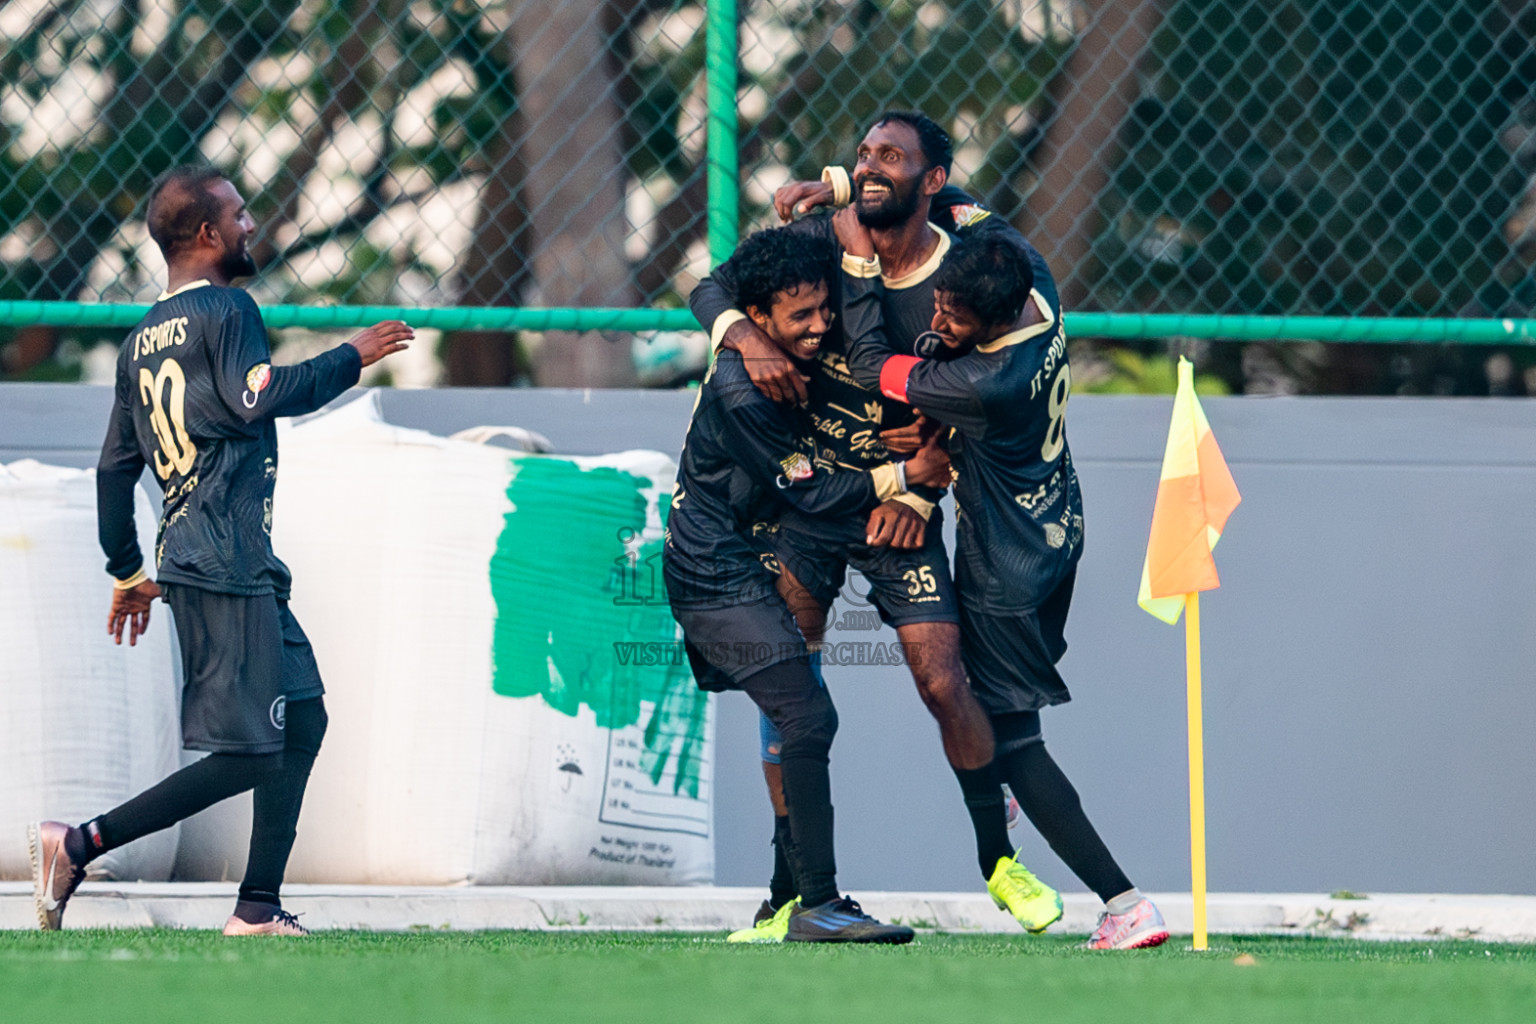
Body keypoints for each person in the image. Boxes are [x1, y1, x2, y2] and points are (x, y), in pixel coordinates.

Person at [689, 112, 1061, 938]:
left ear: (933, 181)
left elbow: (985, 399)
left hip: (903, 509)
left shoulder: (969, 272)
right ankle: (793, 889)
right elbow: (711, 288)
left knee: (942, 680)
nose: (870, 168)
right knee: (795, 694)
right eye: (862, 156)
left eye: (891, 157)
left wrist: (923, 492)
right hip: (813, 502)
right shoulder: (820, 235)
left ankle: (999, 861)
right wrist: (749, 337)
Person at [27, 165, 411, 936]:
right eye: (238, 214)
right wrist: (351, 355)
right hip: (223, 558)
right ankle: (76, 845)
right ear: (206, 234)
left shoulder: (138, 343)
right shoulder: (229, 309)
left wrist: (128, 569)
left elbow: (114, 468)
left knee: (302, 722)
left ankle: (257, 910)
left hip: (216, 559)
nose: (249, 225)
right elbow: (255, 396)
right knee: (248, 753)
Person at [843, 228, 1172, 950]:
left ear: (995, 320)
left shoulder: (985, 383)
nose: (938, 321)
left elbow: (871, 365)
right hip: (1058, 538)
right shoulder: (1040, 293)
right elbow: (970, 210)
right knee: (993, 711)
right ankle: (1000, 771)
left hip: (1006, 572)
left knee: (1016, 739)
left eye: (956, 319)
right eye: (939, 303)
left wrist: (862, 264)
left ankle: (1125, 904)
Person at [664, 226, 951, 943]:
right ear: (759, 321)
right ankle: (816, 905)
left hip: (751, 560)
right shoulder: (742, 386)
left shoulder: (786, 353)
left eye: (827, 310)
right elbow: (814, 492)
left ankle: (784, 903)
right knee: (807, 716)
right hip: (716, 572)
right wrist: (905, 477)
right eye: (803, 318)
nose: (822, 327)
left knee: (802, 713)